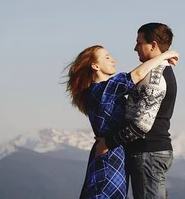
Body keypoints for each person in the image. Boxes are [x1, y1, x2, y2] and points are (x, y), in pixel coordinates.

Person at [64, 44, 179, 199]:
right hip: (109, 157)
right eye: (107, 57)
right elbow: (137, 75)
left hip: (112, 154)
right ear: (95, 66)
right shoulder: (104, 90)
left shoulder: (100, 91)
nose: (113, 60)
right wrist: (164, 55)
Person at [96, 22, 177, 199]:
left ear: (153, 45)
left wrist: (108, 143)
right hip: (151, 151)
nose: (135, 48)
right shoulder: (157, 70)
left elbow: (141, 125)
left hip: (148, 151)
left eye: (139, 43)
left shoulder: (154, 78)